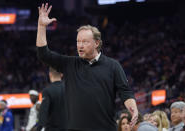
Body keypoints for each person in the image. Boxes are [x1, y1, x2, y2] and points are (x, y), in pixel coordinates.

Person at [36, 3, 138, 131]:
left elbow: (125, 92)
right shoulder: (70, 64)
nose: (80, 45)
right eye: (78, 41)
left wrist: (132, 108)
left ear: (96, 43)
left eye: (85, 41)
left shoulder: (113, 66)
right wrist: (41, 26)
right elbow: (43, 54)